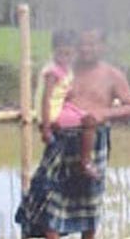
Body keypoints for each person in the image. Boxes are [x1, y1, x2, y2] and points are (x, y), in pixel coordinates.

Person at [16, 28, 130, 239]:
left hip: (92, 140)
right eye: (82, 45)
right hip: (61, 138)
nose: (86, 49)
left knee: (90, 197)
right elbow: (46, 97)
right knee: (48, 191)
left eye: (92, 44)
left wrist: (104, 113)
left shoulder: (112, 75)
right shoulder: (64, 69)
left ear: (102, 46)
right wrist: (45, 122)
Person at [37, 29, 99, 179]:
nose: (65, 58)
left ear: (74, 53)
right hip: (52, 113)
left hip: (60, 107)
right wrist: (46, 128)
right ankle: (85, 162)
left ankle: (80, 160)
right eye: (61, 53)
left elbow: (63, 91)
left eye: (69, 54)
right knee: (90, 121)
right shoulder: (52, 72)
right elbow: (46, 99)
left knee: (88, 114)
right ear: (54, 51)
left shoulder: (66, 69)